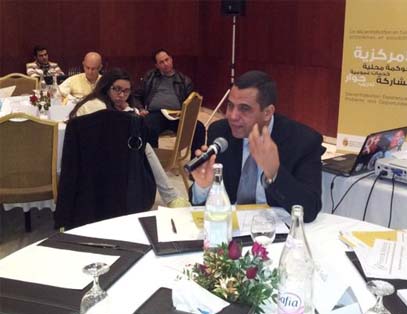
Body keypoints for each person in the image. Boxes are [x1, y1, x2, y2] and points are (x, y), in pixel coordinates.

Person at [190, 70, 323, 223]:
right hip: (229, 228)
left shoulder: (303, 141)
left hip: (275, 230)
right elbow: (203, 208)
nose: (232, 116)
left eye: (244, 109)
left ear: (267, 112)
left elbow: (310, 210)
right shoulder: (220, 132)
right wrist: (203, 187)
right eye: (230, 106)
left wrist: (274, 173)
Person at [70, 68, 189, 208]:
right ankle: (171, 196)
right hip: (90, 158)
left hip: (107, 152)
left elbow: (128, 131)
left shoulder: (113, 104)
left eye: (126, 91)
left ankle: (170, 196)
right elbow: (112, 136)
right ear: (106, 87)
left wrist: (128, 111)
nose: (121, 95)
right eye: (117, 89)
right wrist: (128, 112)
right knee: (143, 146)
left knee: (142, 145)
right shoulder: (96, 105)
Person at [135, 48, 205, 157]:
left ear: (171, 59)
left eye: (167, 60)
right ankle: (152, 161)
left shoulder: (184, 80)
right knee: (147, 127)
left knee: (199, 128)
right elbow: (136, 96)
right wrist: (140, 109)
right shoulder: (150, 77)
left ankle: (195, 162)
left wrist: (187, 112)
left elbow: (192, 102)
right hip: (156, 114)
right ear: (157, 65)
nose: (165, 64)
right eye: (161, 62)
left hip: (177, 115)